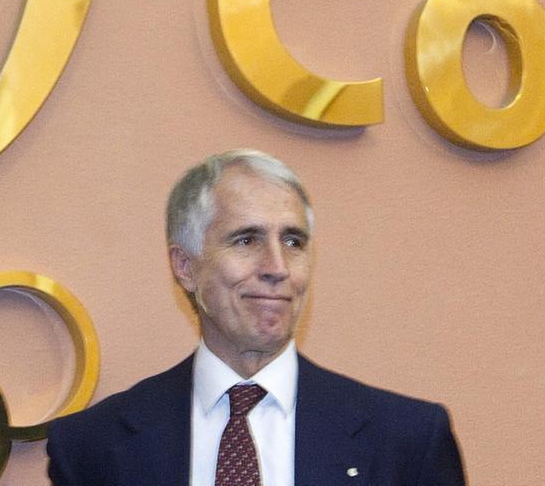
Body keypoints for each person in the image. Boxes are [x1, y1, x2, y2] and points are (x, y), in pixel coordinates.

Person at [46, 148, 466, 485]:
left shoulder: (407, 442)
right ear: (186, 266)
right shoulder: (92, 447)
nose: (277, 267)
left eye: (293, 241)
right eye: (247, 240)